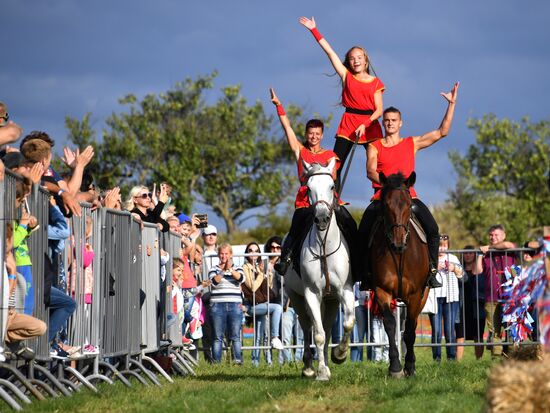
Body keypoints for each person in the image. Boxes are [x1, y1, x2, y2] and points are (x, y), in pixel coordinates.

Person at [358, 82, 460, 289]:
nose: (389, 124)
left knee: (432, 229)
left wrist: (451, 104)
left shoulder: (411, 143)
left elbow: (442, 132)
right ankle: (365, 274)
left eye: (393, 120)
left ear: (400, 123)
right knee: (362, 231)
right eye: (386, 120)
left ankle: (431, 271)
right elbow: (370, 170)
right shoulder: (374, 145)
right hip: (382, 198)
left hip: (408, 198)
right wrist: (389, 187)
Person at [269, 88, 357, 276]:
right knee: (295, 227)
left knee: (350, 224)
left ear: (322, 135)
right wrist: (279, 107)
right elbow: (288, 130)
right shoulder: (300, 151)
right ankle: (285, 260)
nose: (314, 137)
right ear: (307, 134)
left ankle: (357, 262)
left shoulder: (330, 155)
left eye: (317, 134)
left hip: (329, 201)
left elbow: (333, 178)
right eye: (311, 133)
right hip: (306, 202)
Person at [299, 16, 384, 187]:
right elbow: (330, 52)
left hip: (370, 125)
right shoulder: (347, 76)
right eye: (352, 58)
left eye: (359, 57)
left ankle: (381, 196)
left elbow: (379, 110)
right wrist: (314, 30)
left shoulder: (376, 83)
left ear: (365, 60)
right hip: (349, 123)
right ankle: (333, 199)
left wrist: (365, 124)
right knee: (335, 164)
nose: (356, 60)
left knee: (376, 166)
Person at [477, 224, 516, 358]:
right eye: (491, 235)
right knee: (494, 331)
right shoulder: (485, 254)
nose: (493, 237)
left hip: (509, 297)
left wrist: (491, 248)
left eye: (496, 235)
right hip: (491, 297)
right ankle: (495, 359)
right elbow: (477, 271)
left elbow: (509, 245)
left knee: (511, 329)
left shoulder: (510, 250)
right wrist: (480, 255)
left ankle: (511, 358)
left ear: (503, 236)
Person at [241, 241, 284, 362]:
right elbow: (252, 287)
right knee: (277, 308)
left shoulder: (259, 267)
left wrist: (269, 274)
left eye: (256, 251)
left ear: (259, 253)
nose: (253, 253)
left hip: (262, 303)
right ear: (247, 254)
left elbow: (267, 288)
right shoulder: (246, 268)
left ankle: (258, 362)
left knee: (260, 335)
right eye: (250, 251)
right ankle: (275, 336)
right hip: (252, 305)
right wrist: (261, 274)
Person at [428, 235, 463, 361]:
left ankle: (451, 358)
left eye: (444, 245)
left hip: (451, 298)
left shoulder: (453, 258)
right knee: (436, 330)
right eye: (439, 245)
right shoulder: (430, 257)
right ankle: (436, 358)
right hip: (434, 297)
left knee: (449, 330)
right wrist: (433, 269)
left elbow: (463, 277)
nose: (441, 248)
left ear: (448, 246)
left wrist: (454, 269)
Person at [208, 244, 245, 364]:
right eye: (221, 254)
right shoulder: (213, 269)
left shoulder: (238, 268)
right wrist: (224, 270)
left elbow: (240, 279)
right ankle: (216, 362)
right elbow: (214, 282)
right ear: (218, 255)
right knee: (218, 337)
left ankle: (237, 361)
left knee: (235, 336)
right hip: (217, 306)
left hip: (235, 305)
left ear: (231, 255)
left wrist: (230, 269)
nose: (224, 256)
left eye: (226, 254)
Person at [461, 245, 485, 360]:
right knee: (460, 333)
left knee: (478, 333)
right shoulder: (458, 268)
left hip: (477, 304)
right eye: (466, 253)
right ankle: (457, 362)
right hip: (462, 304)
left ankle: (479, 360)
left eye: (471, 253)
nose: (468, 255)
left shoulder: (481, 268)